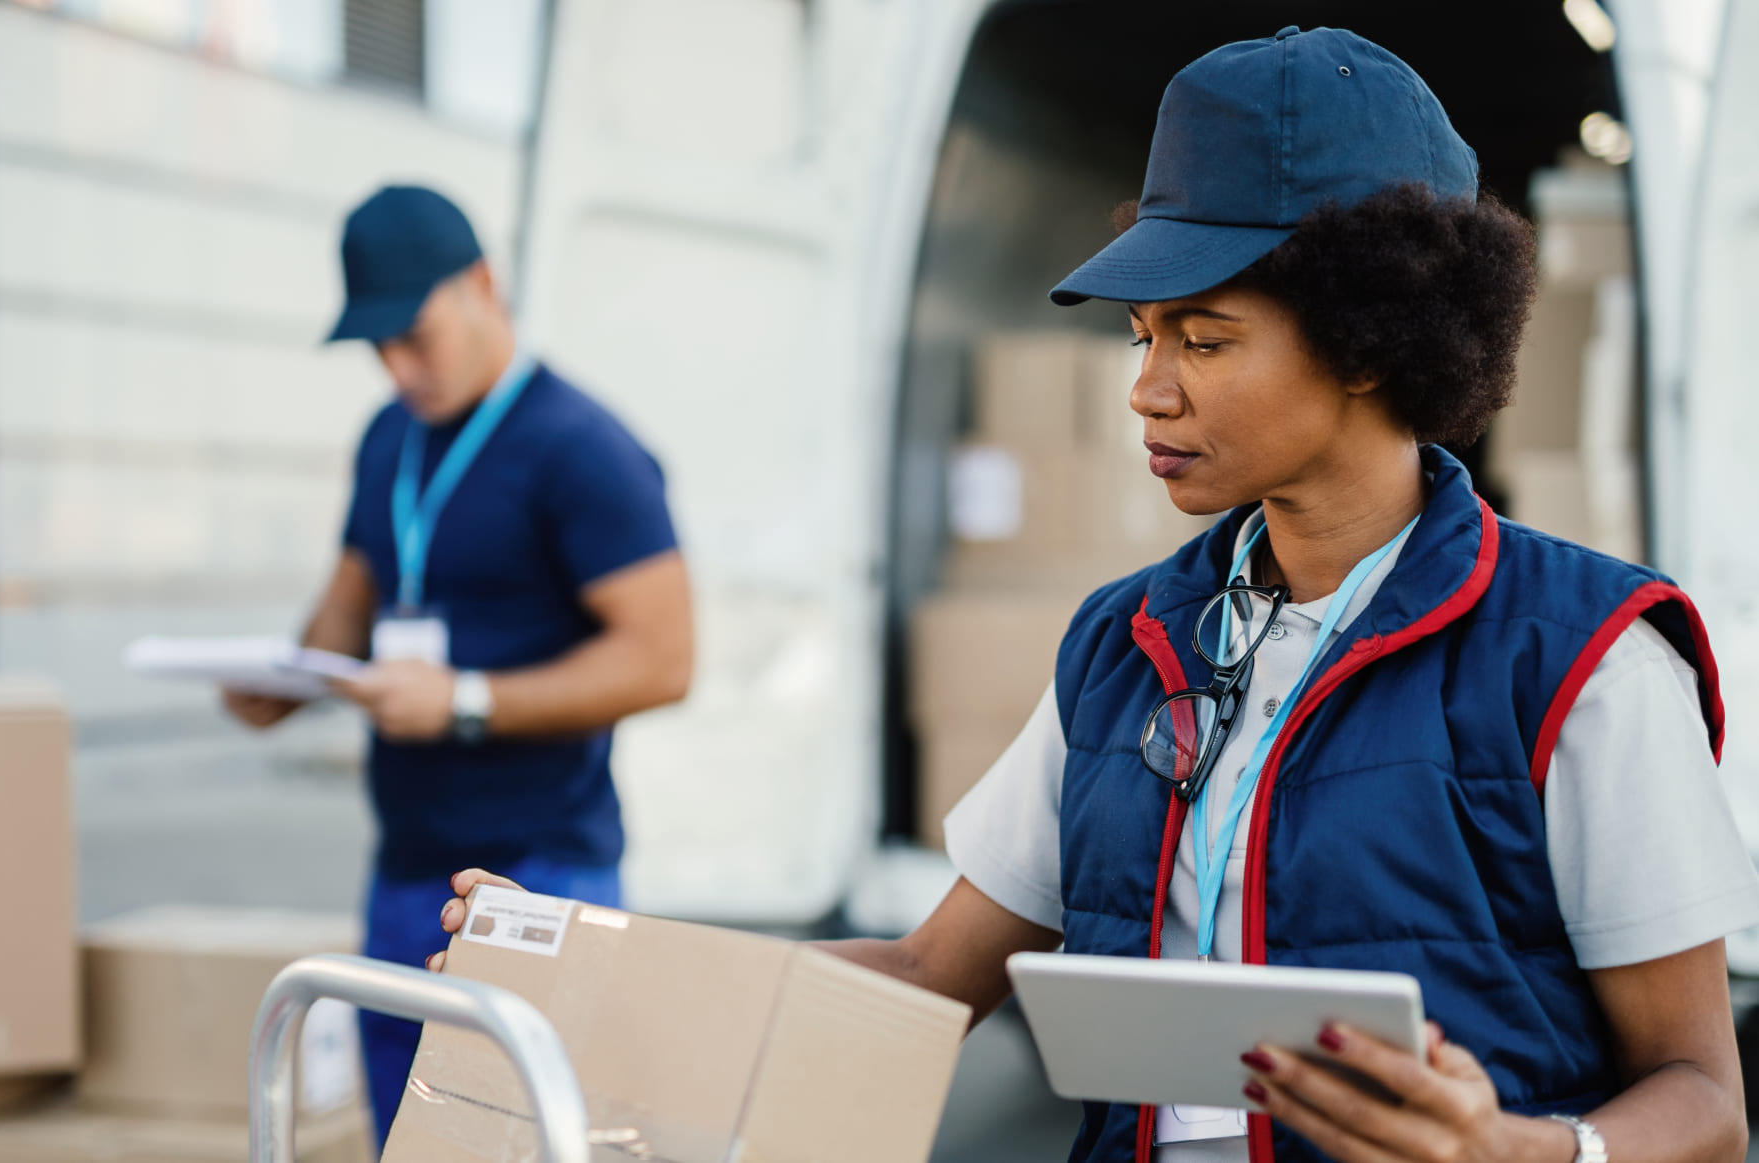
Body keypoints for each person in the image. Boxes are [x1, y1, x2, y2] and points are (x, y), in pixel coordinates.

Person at [429, 26, 1759, 1163]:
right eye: (1141, 337)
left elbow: (1704, 1101)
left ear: (1373, 336)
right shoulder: (1122, 645)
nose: (1147, 386)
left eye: (1203, 336)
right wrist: (581, 965)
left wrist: (1522, 1147)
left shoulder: (1579, 660)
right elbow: (922, 975)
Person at [224, 185, 693, 1150]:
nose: (399, 367)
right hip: (402, 869)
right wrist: (285, 678)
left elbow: (665, 660)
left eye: (416, 335)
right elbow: (347, 612)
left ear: (484, 285)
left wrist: (467, 700)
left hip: (542, 869)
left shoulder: (584, 449)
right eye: (377, 347)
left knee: (529, 1140)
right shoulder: (386, 438)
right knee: (406, 1141)